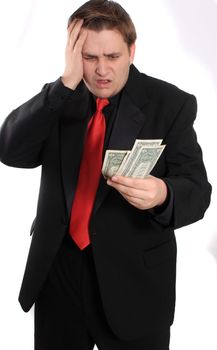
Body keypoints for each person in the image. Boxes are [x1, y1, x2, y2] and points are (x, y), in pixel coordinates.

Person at [0, 0, 211, 349]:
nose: (101, 70)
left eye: (112, 57)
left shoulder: (171, 104)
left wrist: (163, 194)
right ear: (73, 54)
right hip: (59, 278)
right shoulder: (59, 99)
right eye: (89, 57)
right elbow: (10, 151)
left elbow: (197, 191)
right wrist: (63, 86)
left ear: (131, 50)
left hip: (135, 286)